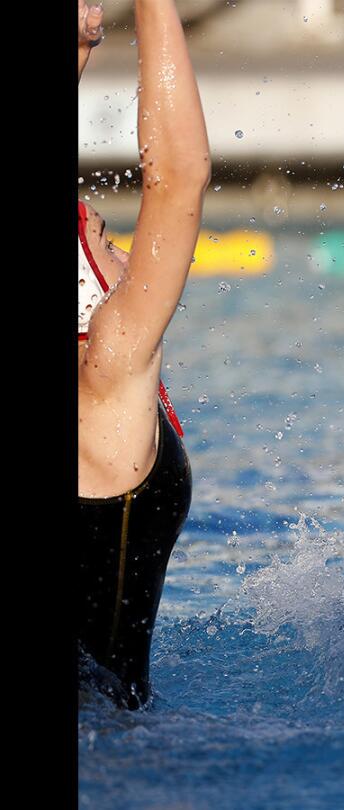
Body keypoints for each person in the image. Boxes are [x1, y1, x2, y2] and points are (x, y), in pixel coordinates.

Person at [77, 0, 211, 710]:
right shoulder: (109, 371)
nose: (110, 230)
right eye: (96, 229)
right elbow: (176, 180)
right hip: (109, 758)